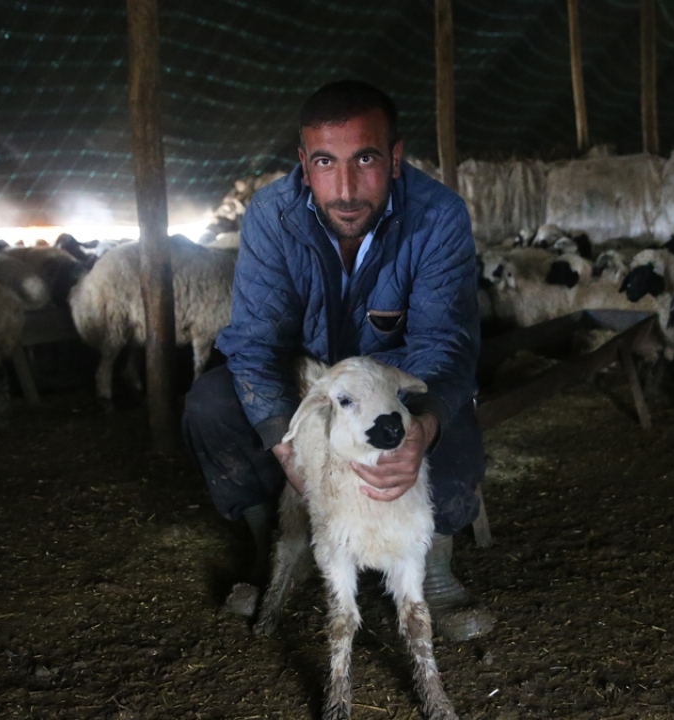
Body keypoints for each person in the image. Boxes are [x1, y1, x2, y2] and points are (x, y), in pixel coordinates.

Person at [182, 79, 492, 641]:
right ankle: (275, 545)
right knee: (211, 405)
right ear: (305, 164)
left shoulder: (437, 215)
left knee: (453, 430)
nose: (345, 189)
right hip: (309, 383)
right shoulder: (271, 215)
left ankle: (433, 564)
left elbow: (444, 346)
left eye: (365, 159)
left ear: (394, 158)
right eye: (326, 162)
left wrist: (421, 430)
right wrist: (290, 448)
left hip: (392, 387)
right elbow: (254, 342)